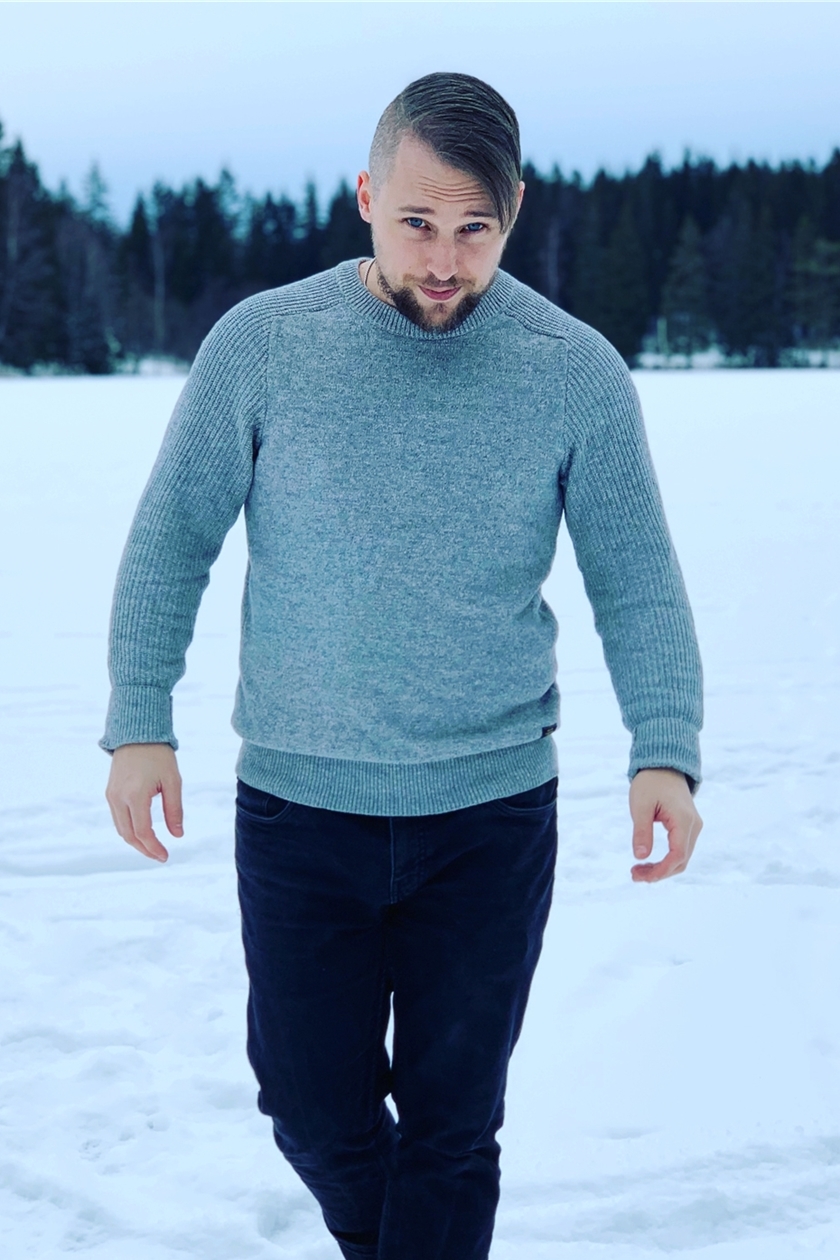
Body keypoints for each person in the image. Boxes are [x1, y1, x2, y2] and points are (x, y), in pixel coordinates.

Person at [103, 71, 703, 1260]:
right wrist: (139, 723)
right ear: (367, 196)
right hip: (299, 808)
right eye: (418, 221)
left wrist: (665, 752)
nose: (443, 258)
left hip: (489, 817)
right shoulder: (264, 345)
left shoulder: (573, 370)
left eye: (474, 228)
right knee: (309, 1107)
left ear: (515, 213)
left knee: (452, 1130)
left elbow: (635, 578)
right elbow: (172, 536)